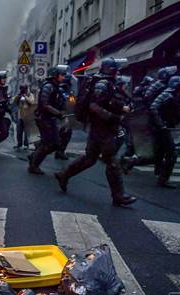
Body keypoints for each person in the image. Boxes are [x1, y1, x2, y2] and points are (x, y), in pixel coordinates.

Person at [54, 57, 137, 207]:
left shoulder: (106, 83)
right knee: (111, 160)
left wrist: (120, 108)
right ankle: (118, 195)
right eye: (116, 69)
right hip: (102, 128)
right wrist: (114, 117)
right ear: (110, 69)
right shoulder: (102, 84)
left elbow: (109, 102)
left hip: (100, 127)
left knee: (90, 158)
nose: (118, 72)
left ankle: (63, 174)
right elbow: (95, 106)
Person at [149, 75, 180, 188]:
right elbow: (153, 108)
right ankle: (163, 180)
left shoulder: (175, 96)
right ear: (176, 86)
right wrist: (161, 124)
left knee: (161, 152)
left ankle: (161, 177)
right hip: (162, 128)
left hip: (166, 127)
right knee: (171, 154)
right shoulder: (167, 95)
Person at [28, 65, 68, 174]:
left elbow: (59, 102)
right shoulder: (48, 87)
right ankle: (34, 165)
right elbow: (45, 104)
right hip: (44, 118)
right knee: (48, 144)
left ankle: (33, 156)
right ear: (55, 75)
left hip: (50, 118)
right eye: (62, 75)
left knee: (55, 143)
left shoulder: (56, 87)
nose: (64, 77)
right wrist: (58, 113)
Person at [13, 84, 35, 150]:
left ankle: (26, 144)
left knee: (26, 131)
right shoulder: (19, 95)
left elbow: (32, 102)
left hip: (27, 116)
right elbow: (14, 102)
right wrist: (18, 96)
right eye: (21, 89)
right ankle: (19, 144)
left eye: (24, 89)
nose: (23, 90)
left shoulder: (30, 95)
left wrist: (25, 96)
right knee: (19, 131)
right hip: (20, 115)